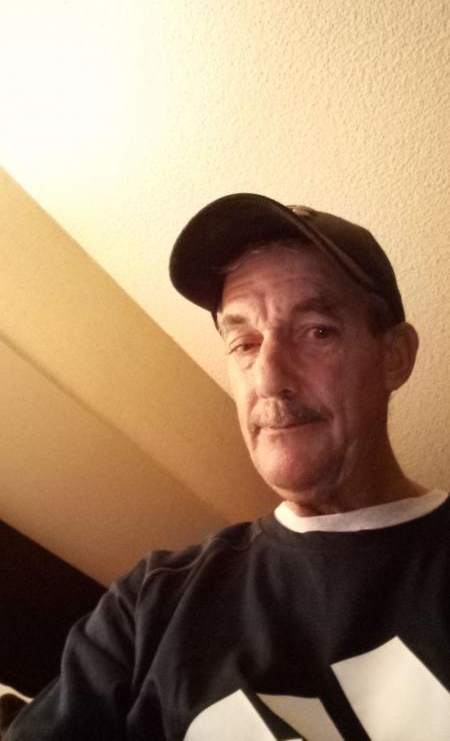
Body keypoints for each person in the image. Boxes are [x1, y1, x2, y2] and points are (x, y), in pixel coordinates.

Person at [7, 194, 450, 740]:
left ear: (394, 356)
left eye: (316, 331)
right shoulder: (149, 607)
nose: (268, 377)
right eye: (243, 343)